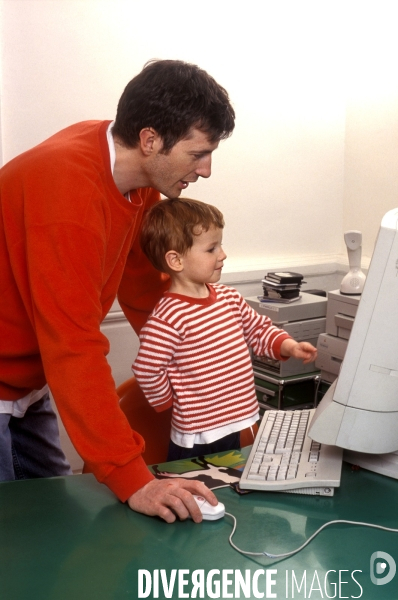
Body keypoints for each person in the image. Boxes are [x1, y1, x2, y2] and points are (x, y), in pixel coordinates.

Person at [0, 59, 235, 523]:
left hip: (27, 384)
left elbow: (143, 285)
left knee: (61, 522)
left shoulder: (133, 175)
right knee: (16, 544)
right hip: (14, 373)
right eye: (197, 154)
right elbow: (73, 345)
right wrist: (135, 480)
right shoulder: (67, 193)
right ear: (150, 140)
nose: (206, 170)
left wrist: (189, 360)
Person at [132, 198, 318, 460]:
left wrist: (289, 345)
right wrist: (169, 402)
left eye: (221, 245)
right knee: (196, 493)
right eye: (211, 249)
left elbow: (259, 331)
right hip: (197, 435)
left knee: (230, 489)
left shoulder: (229, 297)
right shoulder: (169, 317)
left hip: (236, 421)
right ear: (176, 260)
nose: (223, 254)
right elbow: (147, 368)